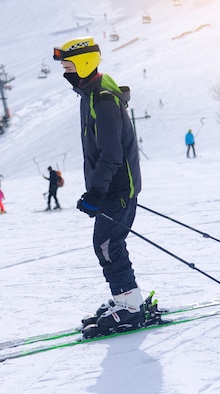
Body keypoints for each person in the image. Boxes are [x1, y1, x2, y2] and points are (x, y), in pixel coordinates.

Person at [53, 37, 145, 333]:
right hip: (113, 187)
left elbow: (111, 154)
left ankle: (130, 306)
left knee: (107, 244)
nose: (65, 73)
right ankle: (124, 298)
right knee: (107, 244)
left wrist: (95, 192)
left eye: (68, 66)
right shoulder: (91, 94)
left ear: (84, 64)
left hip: (117, 188)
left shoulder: (103, 99)